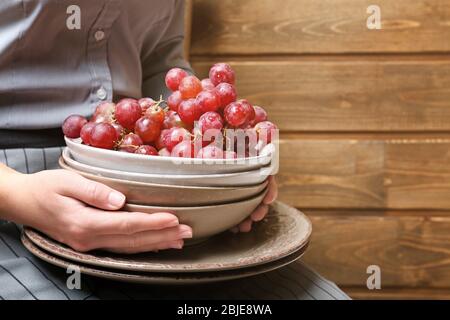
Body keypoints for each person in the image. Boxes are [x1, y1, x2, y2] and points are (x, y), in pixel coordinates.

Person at [0, 0, 348, 300]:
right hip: (14, 189)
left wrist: (225, 169)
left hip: (144, 167)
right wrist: (18, 196)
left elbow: (160, 62)